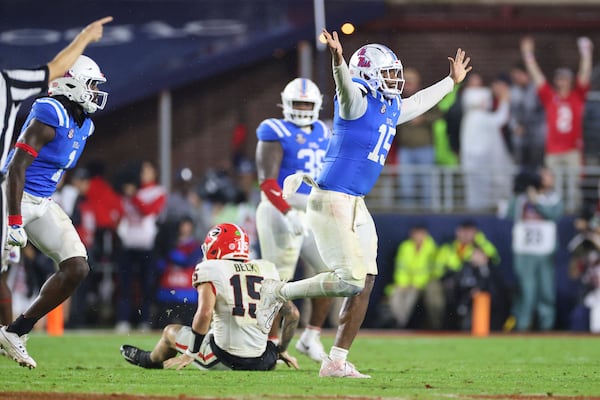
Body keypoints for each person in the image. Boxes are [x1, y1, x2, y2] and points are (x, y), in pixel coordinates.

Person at [257, 28, 471, 378]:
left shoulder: (389, 106)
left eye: (395, 73)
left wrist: (451, 81)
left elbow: (419, 103)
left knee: (367, 280)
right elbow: (343, 84)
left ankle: (336, 361)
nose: (395, 80)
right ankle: (278, 291)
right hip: (331, 199)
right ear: (368, 74)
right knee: (351, 279)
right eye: (388, 73)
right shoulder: (354, 102)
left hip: (356, 202)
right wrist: (338, 58)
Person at [0, 15, 112, 333]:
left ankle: (16, 332)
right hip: (12, 196)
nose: (94, 91)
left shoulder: (84, 124)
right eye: (91, 84)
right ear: (72, 81)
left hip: (42, 200)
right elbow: (16, 167)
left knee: (77, 266)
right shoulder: (50, 111)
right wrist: (14, 220)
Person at [120, 223, 300, 371]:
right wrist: (278, 350)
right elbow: (292, 313)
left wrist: (191, 352)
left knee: (170, 331)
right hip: (264, 361)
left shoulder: (212, 268)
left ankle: (149, 360)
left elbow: (205, 313)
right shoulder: (266, 268)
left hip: (225, 359)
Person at [255, 77, 332, 363]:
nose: (301, 108)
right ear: (286, 104)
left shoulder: (324, 131)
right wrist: (287, 212)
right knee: (278, 278)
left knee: (332, 272)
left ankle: (311, 336)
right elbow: (267, 181)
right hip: (279, 208)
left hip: (312, 209)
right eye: (297, 103)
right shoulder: (273, 129)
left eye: (306, 103)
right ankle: (270, 343)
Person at [520, 36, 593, 209]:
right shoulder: (550, 97)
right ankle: (557, 210)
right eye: (559, 78)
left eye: (565, 78)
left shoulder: (577, 96)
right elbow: (537, 76)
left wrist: (586, 54)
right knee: (554, 184)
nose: (562, 81)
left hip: (573, 149)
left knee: (574, 184)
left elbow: (585, 74)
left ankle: (573, 211)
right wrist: (527, 54)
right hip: (553, 149)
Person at [502, 167, 564, 331]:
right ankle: (522, 325)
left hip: (544, 251)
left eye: (546, 176)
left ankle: (546, 326)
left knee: (546, 292)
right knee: (526, 291)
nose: (542, 179)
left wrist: (537, 200)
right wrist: (517, 192)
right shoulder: (522, 198)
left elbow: (554, 214)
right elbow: (508, 214)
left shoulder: (553, 198)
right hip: (524, 250)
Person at [115, 160, 167, 333]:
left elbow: (148, 211)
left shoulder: (157, 192)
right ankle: (123, 320)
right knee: (125, 285)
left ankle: (145, 320)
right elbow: (119, 215)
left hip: (146, 245)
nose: (144, 173)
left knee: (146, 285)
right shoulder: (126, 193)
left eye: (148, 170)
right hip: (128, 244)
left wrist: (134, 196)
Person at [460, 78, 514, 210]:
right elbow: (500, 119)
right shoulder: (478, 117)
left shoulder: (469, 118)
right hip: (480, 164)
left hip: (476, 162)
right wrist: (505, 100)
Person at [394, 67, 442, 208]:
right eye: (405, 81)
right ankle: (408, 212)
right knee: (406, 184)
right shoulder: (397, 98)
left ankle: (428, 211)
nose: (407, 85)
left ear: (417, 83)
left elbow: (438, 115)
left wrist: (423, 118)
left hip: (425, 148)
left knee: (427, 184)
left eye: (411, 82)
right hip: (405, 149)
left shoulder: (425, 97)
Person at [387, 223, 442, 329]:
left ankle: (403, 324)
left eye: (421, 233)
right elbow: (401, 268)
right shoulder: (405, 247)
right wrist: (402, 283)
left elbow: (433, 270)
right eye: (416, 233)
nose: (418, 236)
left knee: (410, 298)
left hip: (422, 284)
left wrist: (417, 283)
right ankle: (399, 323)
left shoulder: (432, 248)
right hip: (405, 283)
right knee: (395, 295)